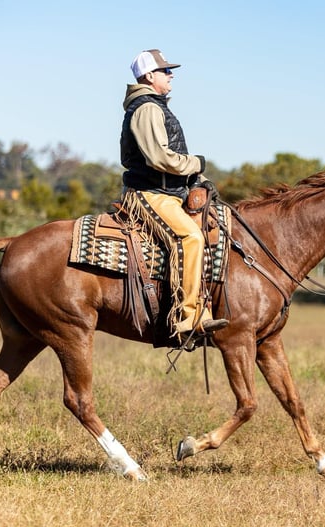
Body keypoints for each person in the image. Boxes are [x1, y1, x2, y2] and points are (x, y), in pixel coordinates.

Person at [120, 49, 228, 337]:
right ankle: (187, 317)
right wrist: (197, 163)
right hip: (149, 193)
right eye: (165, 71)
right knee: (189, 237)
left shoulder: (157, 107)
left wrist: (198, 180)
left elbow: (171, 159)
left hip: (168, 192)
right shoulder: (147, 109)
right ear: (149, 76)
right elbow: (160, 158)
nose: (171, 75)